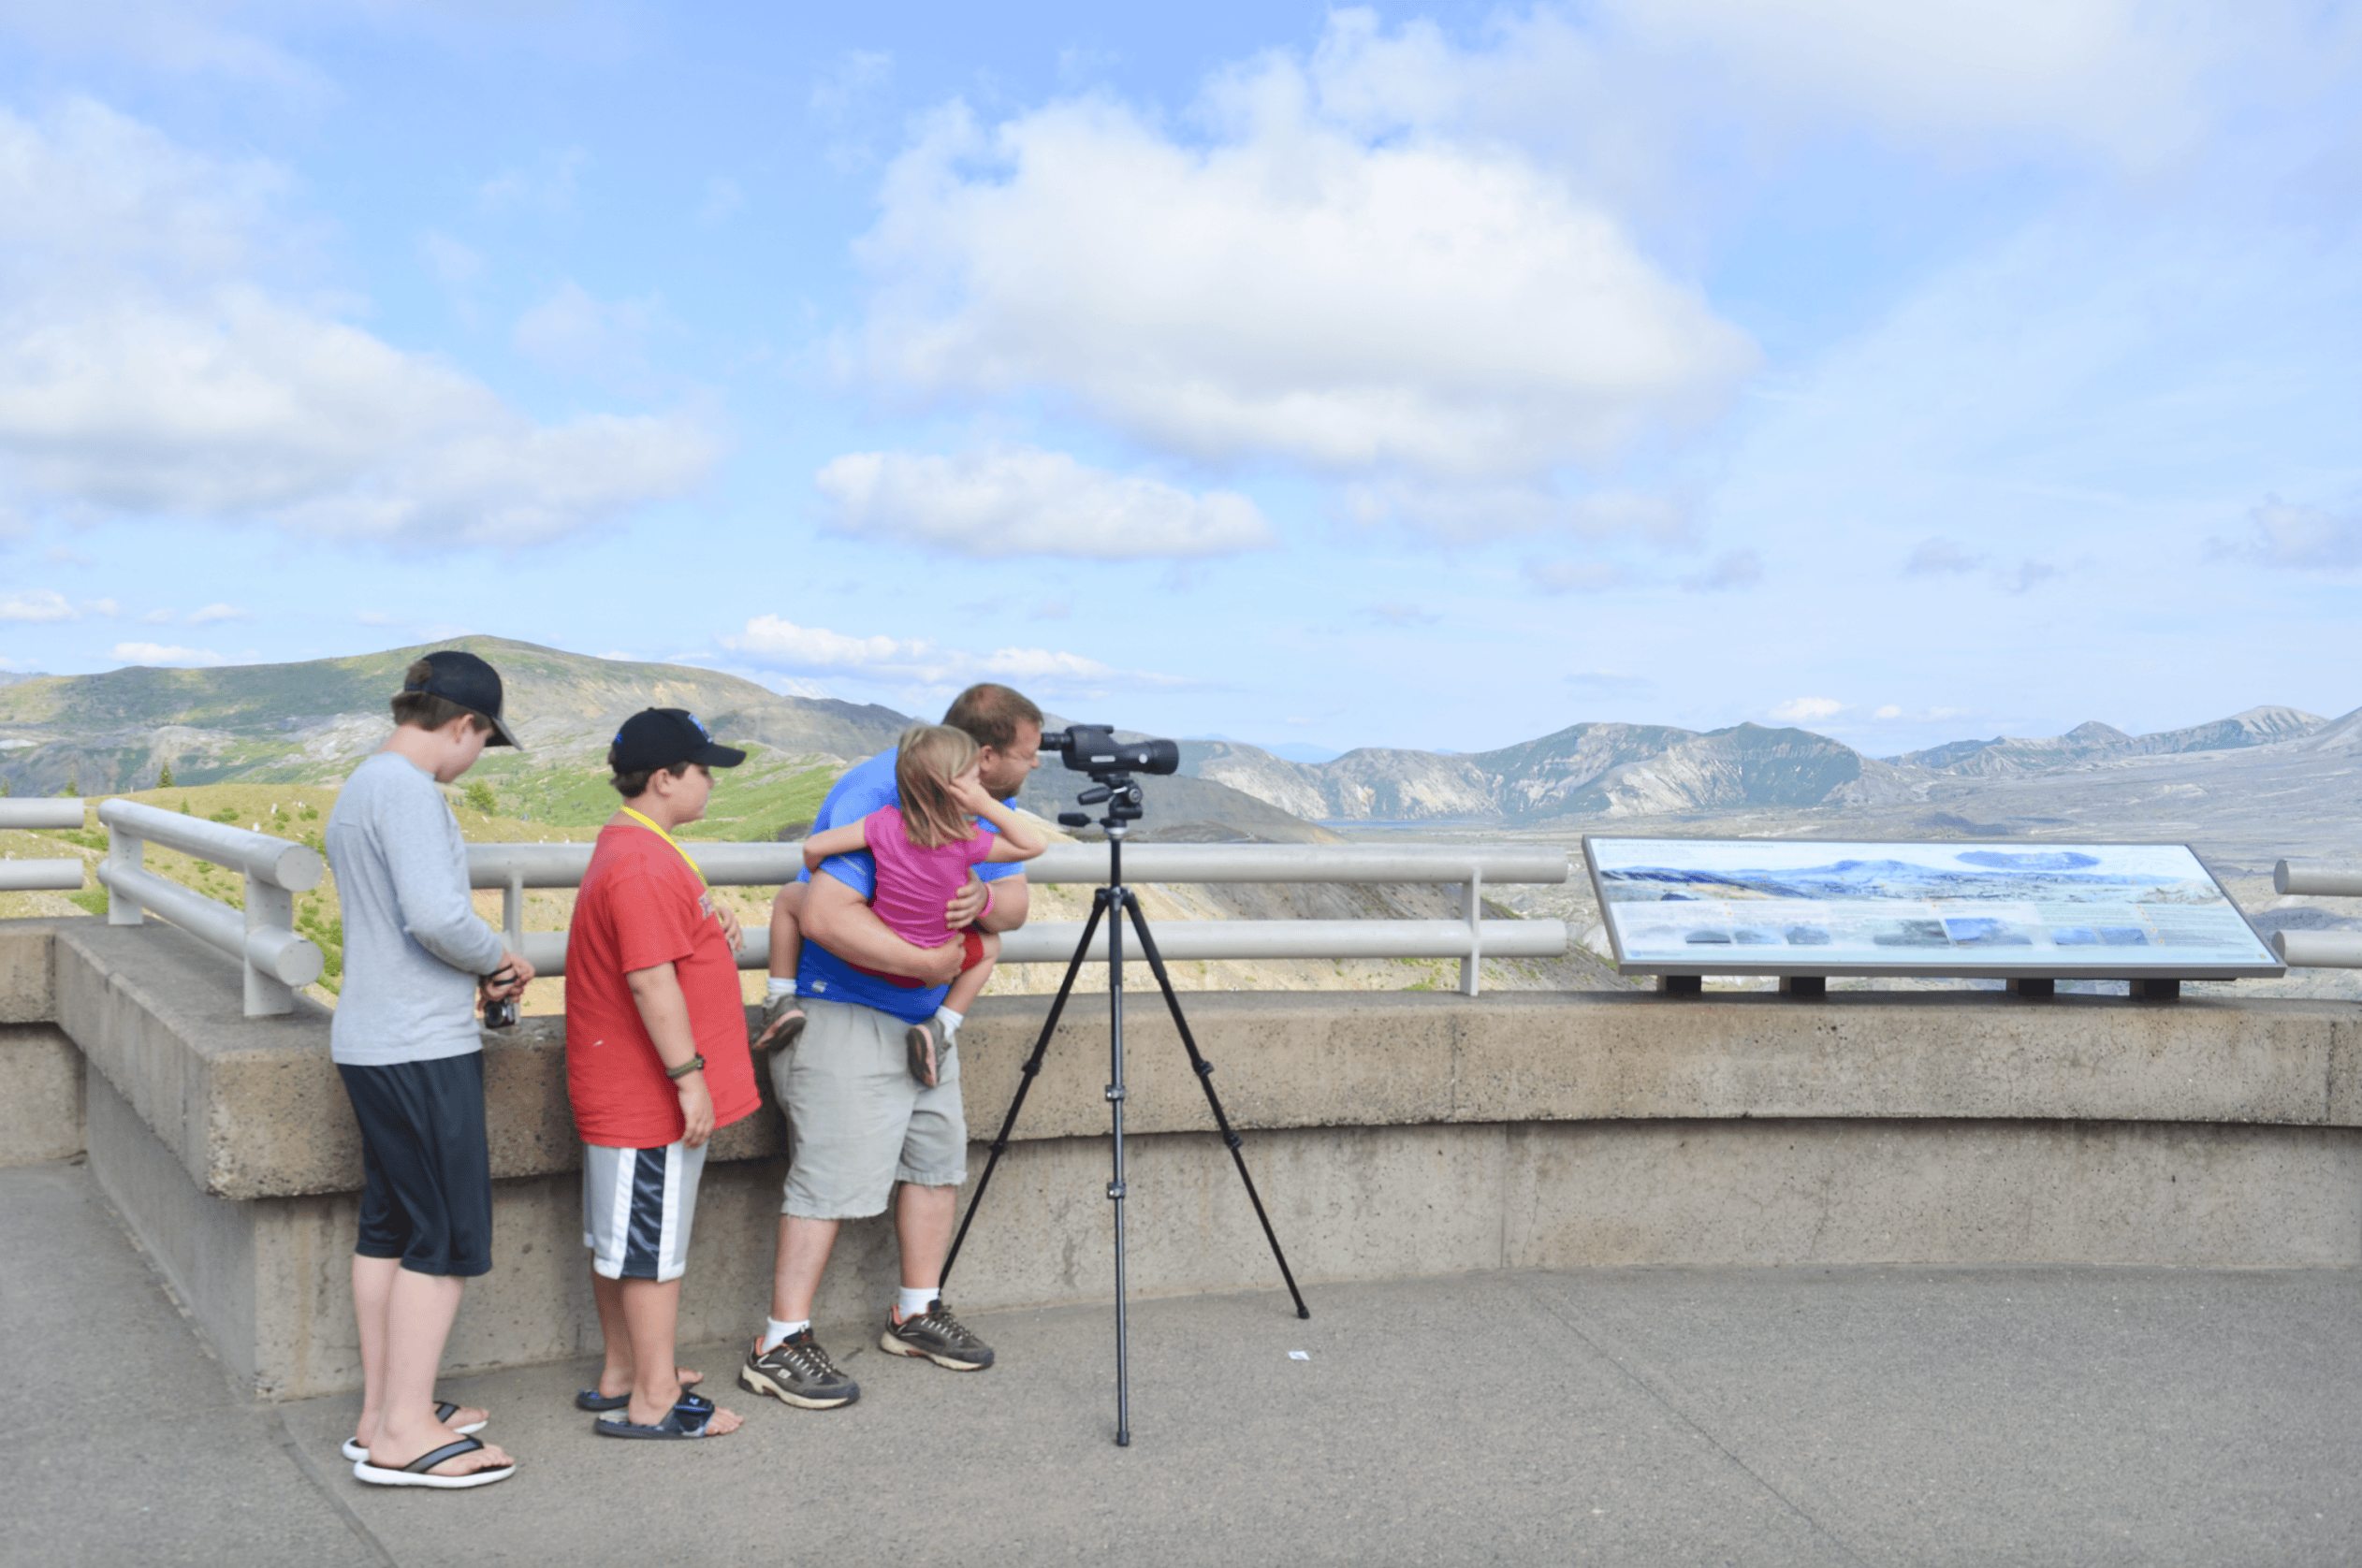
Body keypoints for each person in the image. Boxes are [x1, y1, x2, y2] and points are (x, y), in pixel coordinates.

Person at [739, 684, 1042, 1411]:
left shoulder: (962, 806)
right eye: (1027, 759)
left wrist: (981, 902)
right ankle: (778, 1341)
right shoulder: (882, 794)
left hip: (921, 1021)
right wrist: (933, 966)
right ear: (984, 758)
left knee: (934, 1163)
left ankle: (915, 1312)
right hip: (848, 1009)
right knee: (831, 1177)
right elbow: (824, 912)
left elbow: (1017, 904)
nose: (1032, 772)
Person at [327, 650, 532, 1489]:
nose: (476, 757)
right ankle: (406, 1433)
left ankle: (382, 1412)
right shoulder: (411, 793)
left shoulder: (362, 783)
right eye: (483, 740)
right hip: (419, 1044)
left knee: (392, 1226)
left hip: (371, 1037)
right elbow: (436, 914)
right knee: (446, 1235)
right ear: (463, 725)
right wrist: (498, 958)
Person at [563, 707, 760, 1441]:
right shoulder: (644, 864)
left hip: (628, 1091)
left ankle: (626, 1371)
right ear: (664, 778)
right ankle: (653, 1400)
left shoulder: (637, 846)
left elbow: (664, 940)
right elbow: (650, 980)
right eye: (703, 769)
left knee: (621, 1242)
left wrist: (713, 921)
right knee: (650, 1250)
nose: (711, 782)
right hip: (648, 1098)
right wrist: (689, 1078)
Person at [791, 722, 1046, 1088]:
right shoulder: (966, 840)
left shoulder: (883, 823)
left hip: (884, 952)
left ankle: (778, 997)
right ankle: (942, 1026)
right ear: (956, 791)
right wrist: (984, 805)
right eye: (974, 782)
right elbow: (1032, 846)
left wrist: (817, 873)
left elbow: (814, 848)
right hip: (938, 961)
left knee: (789, 899)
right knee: (990, 947)